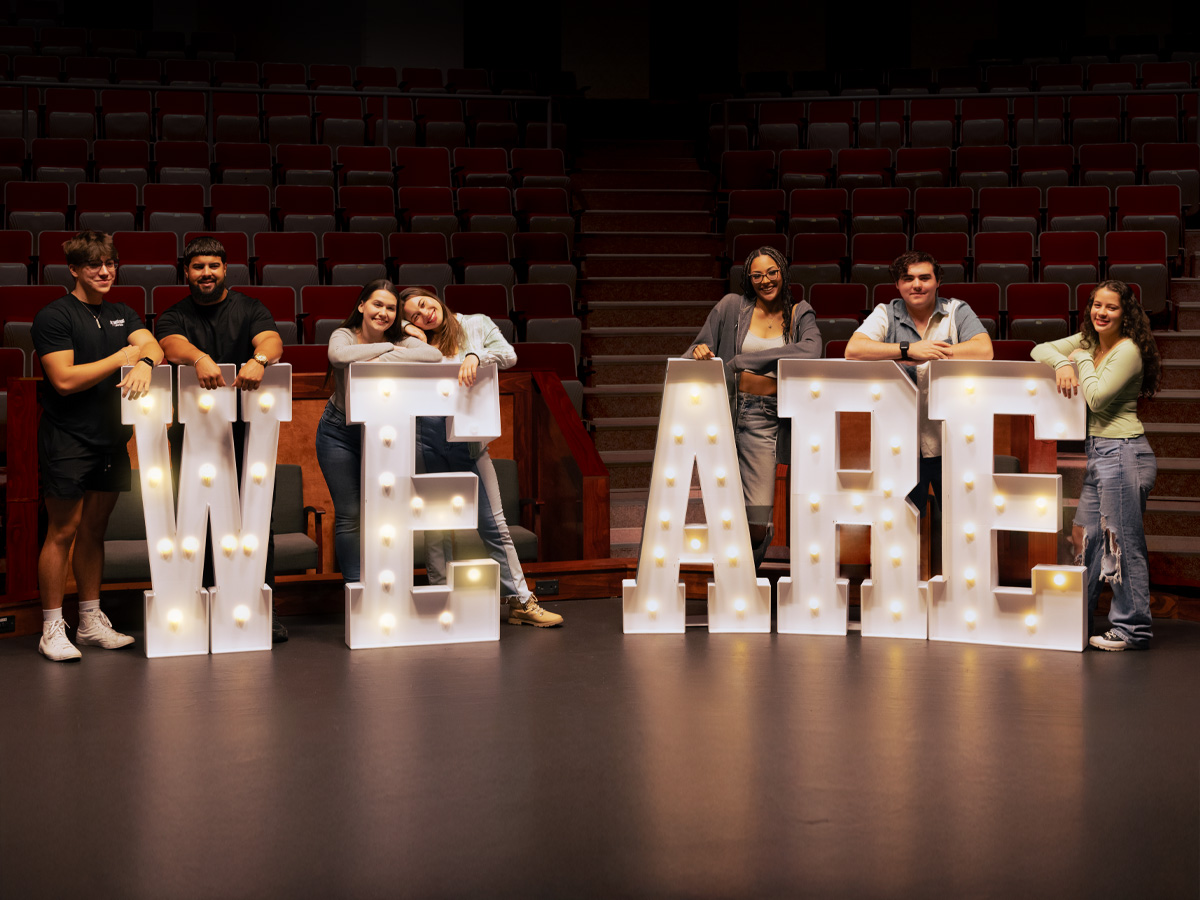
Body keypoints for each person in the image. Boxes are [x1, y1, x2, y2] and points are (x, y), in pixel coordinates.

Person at [32, 231, 165, 661]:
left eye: (109, 263)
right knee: (63, 531)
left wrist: (143, 359)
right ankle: (52, 626)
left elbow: (153, 345)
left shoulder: (123, 312)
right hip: (68, 438)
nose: (105, 271)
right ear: (74, 270)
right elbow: (65, 380)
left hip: (112, 438)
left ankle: (89, 621)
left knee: (94, 531)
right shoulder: (54, 316)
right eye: (94, 265)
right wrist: (121, 359)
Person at [401, 287, 563, 627]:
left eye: (424, 304)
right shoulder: (418, 340)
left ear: (434, 298)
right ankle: (439, 600)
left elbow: (509, 356)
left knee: (494, 524)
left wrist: (474, 356)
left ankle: (520, 601)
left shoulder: (475, 323)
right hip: (425, 436)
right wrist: (411, 335)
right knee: (435, 527)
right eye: (414, 315)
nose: (425, 314)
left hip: (469, 439)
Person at [155, 236, 289, 641]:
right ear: (186, 272)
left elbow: (272, 341)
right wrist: (199, 357)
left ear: (225, 269)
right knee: (192, 523)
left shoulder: (249, 307)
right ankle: (198, 605)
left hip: (248, 437)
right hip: (192, 437)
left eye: (213, 266)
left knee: (254, 524)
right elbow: (169, 344)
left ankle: (257, 604)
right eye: (198, 267)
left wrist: (259, 359)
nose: (206, 273)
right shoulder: (174, 314)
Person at [1032, 280, 1160, 651]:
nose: (1101, 313)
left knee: (1121, 543)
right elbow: (1040, 348)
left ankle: (1132, 629)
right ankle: (1080, 617)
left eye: (1111, 307)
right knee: (1083, 539)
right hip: (1100, 454)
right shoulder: (1089, 342)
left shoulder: (1126, 350)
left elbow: (1098, 399)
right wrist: (1062, 361)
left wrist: (1079, 360)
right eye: (1096, 305)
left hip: (1124, 452)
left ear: (1127, 313)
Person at [684, 245, 822, 568]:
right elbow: (694, 348)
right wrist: (699, 352)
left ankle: (744, 575)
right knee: (725, 509)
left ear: (783, 273)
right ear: (749, 278)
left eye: (772, 272)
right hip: (728, 412)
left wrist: (744, 360)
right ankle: (736, 584)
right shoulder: (732, 307)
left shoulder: (799, 312)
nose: (765, 281)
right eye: (757, 275)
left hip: (766, 418)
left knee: (758, 523)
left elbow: (811, 351)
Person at [846, 251, 994, 540]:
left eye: (924, 278)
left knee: (960, 528)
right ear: (898, 286)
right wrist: (908, 350)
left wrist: (933, 351)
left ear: (937, 282)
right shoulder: (885, 312)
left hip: (950, 440)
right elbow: (854, 349)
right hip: (899, 443)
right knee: (901, 531)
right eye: (908, 279)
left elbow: (984, 349)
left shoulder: (956, 310)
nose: (917, 285)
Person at [315, 279, 440, 582]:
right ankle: (356, 591)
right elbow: (338, 356)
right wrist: (386, 346)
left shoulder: (400, 338)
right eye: (377, 304)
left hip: (385, 436)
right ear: (361, 306)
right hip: (339, 432)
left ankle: (385, 590)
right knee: (351, 516)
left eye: (391, 308)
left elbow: (432, 356)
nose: (383, 313)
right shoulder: (344, 334)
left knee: (388, 513)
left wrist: (381, 352)